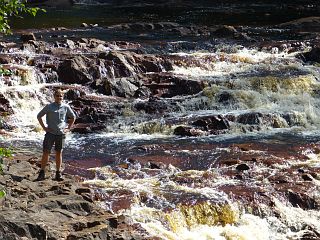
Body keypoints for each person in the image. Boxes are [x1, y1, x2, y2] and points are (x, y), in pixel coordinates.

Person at [36, 89, 76, 181]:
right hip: (50, 133)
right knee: (46, 152)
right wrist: (44, 128)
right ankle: (42, 172)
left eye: (60, 96)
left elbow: (73, 117)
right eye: (57, 96)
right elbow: (39, 116)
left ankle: (58, 173)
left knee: (59, 153)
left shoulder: (66, 107)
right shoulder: (49, 107)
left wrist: (68, 128)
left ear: (63, 97)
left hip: (61, 134)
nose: (59, 97)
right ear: (54, 97)